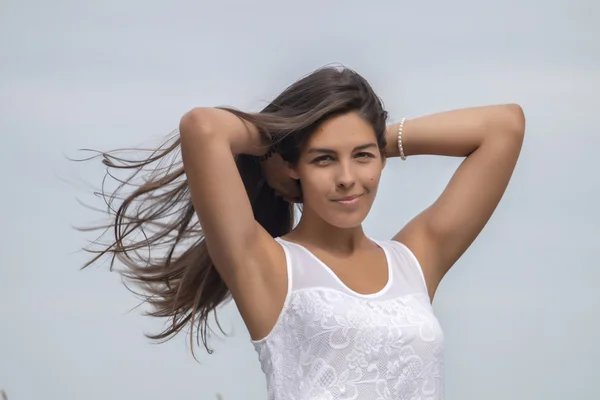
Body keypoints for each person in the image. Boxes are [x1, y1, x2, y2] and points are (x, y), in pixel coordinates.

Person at [81, 65, 525, 399]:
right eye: (323, 159)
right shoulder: (269, 265)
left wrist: (366, 133)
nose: (347, 177)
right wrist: (296, 133)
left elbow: (505, 126)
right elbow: (204, 127)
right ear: (293, 167)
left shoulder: (414, 260)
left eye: (363, 157)